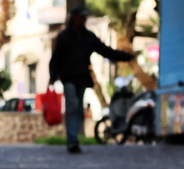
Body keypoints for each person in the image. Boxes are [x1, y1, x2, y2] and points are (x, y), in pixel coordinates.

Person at [49, 6, 134, 153]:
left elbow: (105, 51)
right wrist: (53, 75)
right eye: (81, 16)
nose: (84, 19)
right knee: (72, 106)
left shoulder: (88, 37)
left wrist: (126, 56)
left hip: (81, 78)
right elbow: (55, 58)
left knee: (79, 109)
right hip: (68, 78)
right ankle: (72, 140)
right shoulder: (64, 36)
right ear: (74, 17)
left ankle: (73, 138)